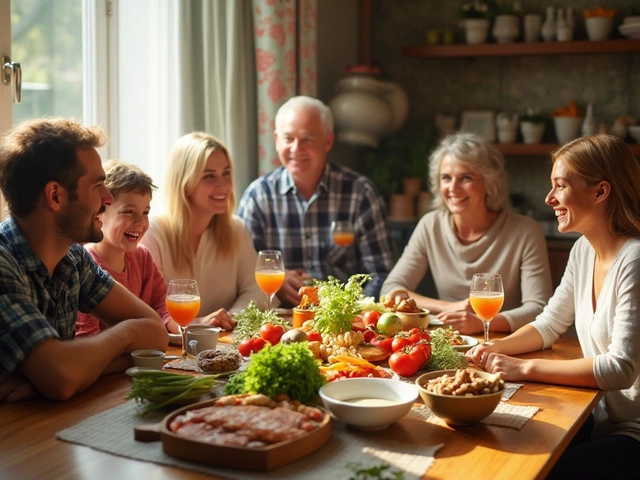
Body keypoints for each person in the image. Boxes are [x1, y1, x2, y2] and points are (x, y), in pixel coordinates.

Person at [466, 134, 640, 479]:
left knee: (541, 471)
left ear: (601, 191)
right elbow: (548, 324)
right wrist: (491, 350)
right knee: (507, 452)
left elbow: (620, 369)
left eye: (560, 186)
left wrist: (524, 369)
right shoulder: (583, 250)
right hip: (604, 418)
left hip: (633, 430)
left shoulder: (634, 258)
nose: (549, 198)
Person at [0, 117, 168, 403]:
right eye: (98, 186)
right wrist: (125, 336)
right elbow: (63, 378)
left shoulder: (72, 257)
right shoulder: (4, 266)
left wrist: (55, 377)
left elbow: (154, 334)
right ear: (55, 196)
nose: (107, 198)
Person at [381, 132, 552, 335]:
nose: (453, 188)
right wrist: (448, 307)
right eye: (446, 178)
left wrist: (482, 323)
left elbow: (539, 308)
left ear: (489, 183)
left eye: (466, 178)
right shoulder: (431, 225)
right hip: (448, 341)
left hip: (505, 344)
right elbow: (391, 290)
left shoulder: (525, 232)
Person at [237, 96, 394, 306]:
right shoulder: (258, 196)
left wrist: (354, 312)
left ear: (328, 141)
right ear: (276, 140)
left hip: (344, 320)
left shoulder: (360, 194)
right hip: (279, 319)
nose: (296, 149)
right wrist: (277, 281)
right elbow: (242, 270)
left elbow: (381, 272)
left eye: (307, 139)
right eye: (288, 139)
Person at [141, 132, 263, 330]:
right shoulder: (153, 233)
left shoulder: (236, 229)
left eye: (226, 173)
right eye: (209, 176)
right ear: (184, 182)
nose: (223, 185)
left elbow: (256, 290)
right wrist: (198, 325)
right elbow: (153, 308)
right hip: (171, 350)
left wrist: (228, 318)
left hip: (224, 343)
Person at [76, 160, 177, 336]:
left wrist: (183, 330)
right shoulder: (85, 266)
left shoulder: (142, 257)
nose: (140, 222)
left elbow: (162, 305)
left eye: (145, 212)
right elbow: (85, 335)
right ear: (99, 212)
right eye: (129, 212)